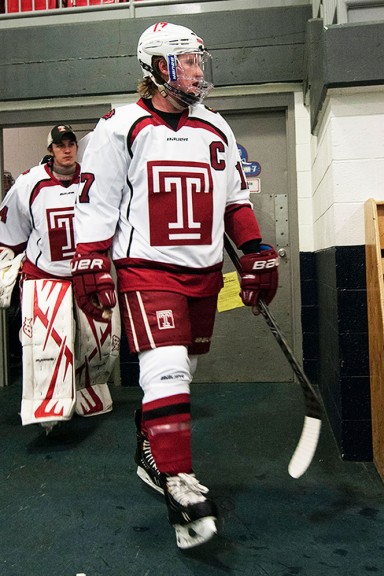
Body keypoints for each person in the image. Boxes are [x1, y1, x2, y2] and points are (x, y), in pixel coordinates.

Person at [71, 22, 278, 549]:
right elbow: (97, 201)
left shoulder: (215, 126)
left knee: (180, 369)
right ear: (157, 67)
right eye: (187, 60)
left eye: (198, 59)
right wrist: (92, 258)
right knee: (165, 369)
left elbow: (234, 199)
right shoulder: (122, 126)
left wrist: (255, 252)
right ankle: (179, 483)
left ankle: (150, 449)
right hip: (148, 268)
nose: (197, 69)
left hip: (204, 271)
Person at [0, 124, 120, 433]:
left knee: (99, 343)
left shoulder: (92, 179)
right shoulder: (29, 183)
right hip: (46, 275)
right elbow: (9, 230)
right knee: (47, 345)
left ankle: (90, 393)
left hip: (88, 272)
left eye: (70, 144)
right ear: (50, 150)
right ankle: (48, 409)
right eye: (59, 145)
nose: (66, 150)